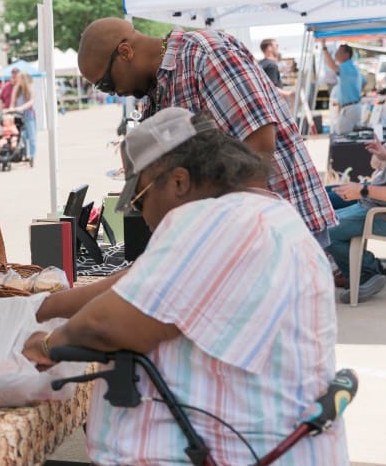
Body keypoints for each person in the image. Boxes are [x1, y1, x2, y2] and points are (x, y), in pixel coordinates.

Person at [22, 108, 346, 465]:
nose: (141, 215)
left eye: (139, 200)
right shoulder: (258, 214)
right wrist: (39, 307)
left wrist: (47, 344)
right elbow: (134, 280)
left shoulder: (224, 222)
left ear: (179, 182)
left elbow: (105, 325)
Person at [78, 17, 336, 247]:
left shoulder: (205, 54)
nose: (113, 93)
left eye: (106, 84)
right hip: (241, 233)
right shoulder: (158, 86)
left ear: (125, 52)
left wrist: (209, 241)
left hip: (276, 233)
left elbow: (258, 148)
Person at [326, 86, 386, 303]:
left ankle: (367, 272)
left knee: (323, 227)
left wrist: (362, 190)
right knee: (325, 197)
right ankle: (369, 267)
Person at [320, 41, 365, 135]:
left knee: (342, 136)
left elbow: (332, 65)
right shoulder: (353, 67)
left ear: (346, 54)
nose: (336, 54)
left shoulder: (346, 66)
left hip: (349, 108)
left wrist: (324, 48)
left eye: (339, 52)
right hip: (353, 106)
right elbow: (364, 82)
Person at [8, 71, 37, 164]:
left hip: (29, 115)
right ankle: (24, 155)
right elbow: (12, 102)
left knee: (32, 137)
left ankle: (32, 156)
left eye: (18, 78)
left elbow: (31, 101)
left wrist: (22, 107)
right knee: (22, 136)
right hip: (18, 115)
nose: (17, 79)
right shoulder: (16, 88)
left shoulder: (29, 88)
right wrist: (11, 109)